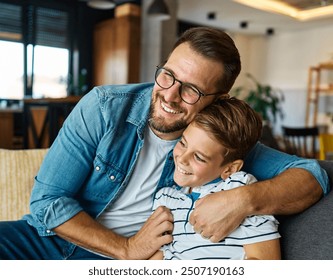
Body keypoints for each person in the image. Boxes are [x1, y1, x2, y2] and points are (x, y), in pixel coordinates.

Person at [0, 27, 329, 260]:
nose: (169, 95)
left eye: (191, 90)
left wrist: (243, 200)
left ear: (218, 100)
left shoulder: (219, 144)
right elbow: (48, 202)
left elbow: (313, 175)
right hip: (47, 240)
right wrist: (126, 250)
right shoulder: (104, 107)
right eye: (168, 75)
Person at [150, 98, 280, 260]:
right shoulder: (165, 199)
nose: (182, 158)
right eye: (183, 143)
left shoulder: (238, 189)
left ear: (230, 169)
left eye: (198, 157)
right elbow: (159, 254)